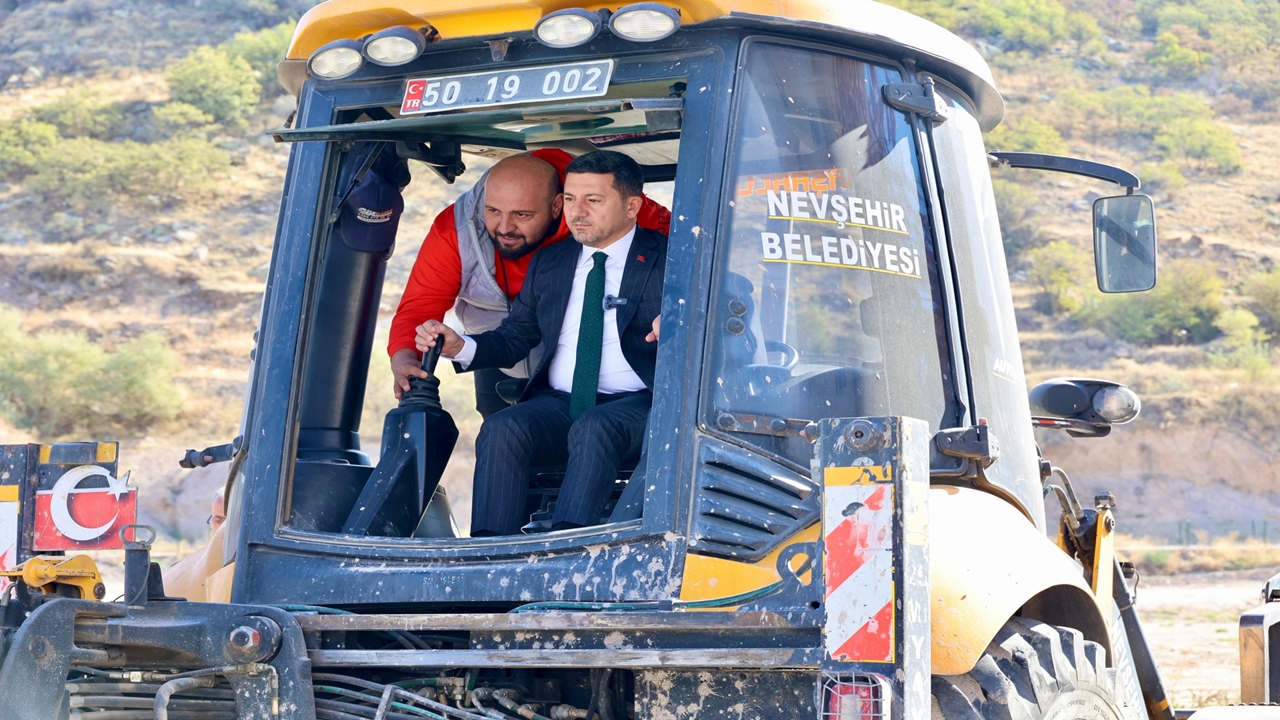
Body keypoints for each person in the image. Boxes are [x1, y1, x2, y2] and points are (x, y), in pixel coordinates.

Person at [419, 151, 666, 536]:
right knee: (503, 427)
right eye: (569, 199)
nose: (577, 212)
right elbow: (516, 336)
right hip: (562, 401)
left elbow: (735, 312)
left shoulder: (672, 257)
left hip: (642, 405)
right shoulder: (552, 261)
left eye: (593, 201)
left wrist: (685, 325)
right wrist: (461, 346)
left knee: (595, 426)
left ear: (632, 205)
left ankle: (566, 551)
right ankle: (487, 556)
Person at [389, 149, 670, 417]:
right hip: (496, 342)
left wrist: (672, 312)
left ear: (558, 205)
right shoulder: (456, 231)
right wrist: (405, 360)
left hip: (599, 355)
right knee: (501, 427)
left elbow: (699, 264)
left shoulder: (616, 209)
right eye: (493, 211)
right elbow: (420, 306)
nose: (505, 228)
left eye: (523, 215)